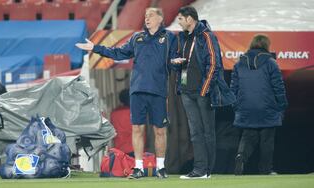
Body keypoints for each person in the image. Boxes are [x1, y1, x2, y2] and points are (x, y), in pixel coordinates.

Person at [76, 8, 178, 179]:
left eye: (151, 15)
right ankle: (138, 168)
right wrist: (95, 48)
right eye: (145, 16)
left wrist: (176, 63)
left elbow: (174, 60)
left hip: (158, 91)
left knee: (160, 130)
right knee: (137, 129)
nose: (147, 18)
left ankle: (160, 167)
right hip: (137, 91)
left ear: (160, 18)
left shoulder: (169, 38)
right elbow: (117, 53)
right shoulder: (136, 38)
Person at [171, 6, 235, 179]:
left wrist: (205, 89)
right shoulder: (181, 37)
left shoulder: (207, 35)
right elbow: (180, 59)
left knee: (207, 132)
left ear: (190, 19)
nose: (179, 22)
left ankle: (207, 170)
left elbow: (214, 63)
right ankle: (199, 169)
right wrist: (175, 62)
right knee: (195, 132)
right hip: (186, 91)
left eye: (180, 19)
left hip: (203, 92)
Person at [230, 34, 288, 175]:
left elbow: (233, 88)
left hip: (246, 107)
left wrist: (236, 106)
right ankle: (266, 170)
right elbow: (278, 86)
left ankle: (241, 157)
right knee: (266, 139)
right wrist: (282, 104)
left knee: (248, 135)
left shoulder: (238, 64)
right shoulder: (271, 63)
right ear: (266, 46)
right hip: (267, 107)